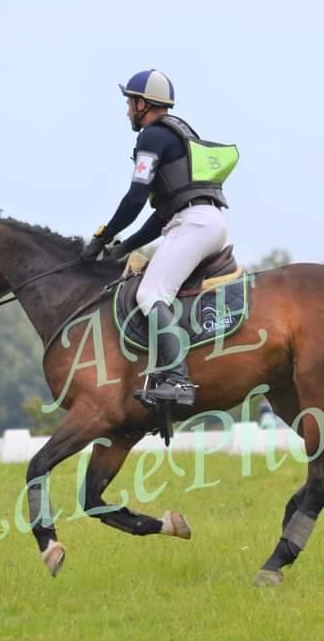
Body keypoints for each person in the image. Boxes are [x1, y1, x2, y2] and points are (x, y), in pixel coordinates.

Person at [80, 69, 234, 407]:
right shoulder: (176, 132)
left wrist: (103, 236)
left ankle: (178, 380)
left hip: (193, 223)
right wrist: (125, 246)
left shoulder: (151, 137)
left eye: (129, 103)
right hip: (203, 220)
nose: (127, 111)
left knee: (150, 293)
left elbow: (136, 198)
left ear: (142, 104)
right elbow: (161, 214)